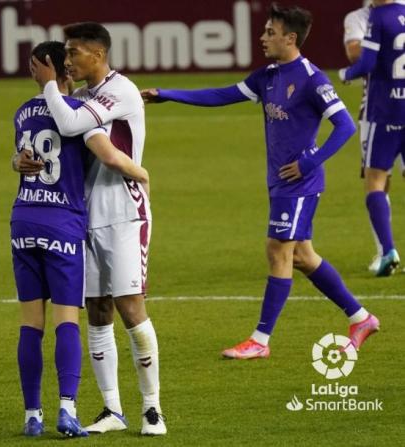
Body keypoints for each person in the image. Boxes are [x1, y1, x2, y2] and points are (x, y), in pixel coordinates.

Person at [142, 4, 380, 359]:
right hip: (280, 182)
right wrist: (169, 94)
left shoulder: (313, 79)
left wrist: (309, 162)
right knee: (302, 255)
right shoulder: (267, 76)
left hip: (300, 183)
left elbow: (345, 125)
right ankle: (360, 318)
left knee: (277, 251)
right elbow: (222, 95)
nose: (263, 37)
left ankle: (260, 340)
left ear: (290, 38)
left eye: (270, 32)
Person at [32, 22, 165, 435]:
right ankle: (112, 409)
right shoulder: (84, 96)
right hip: (84, 216)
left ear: (98, 54)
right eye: (65, 54)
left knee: (130, 306)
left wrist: (50, 85)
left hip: (125, 213)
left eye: (73, 52)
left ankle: (151, 408)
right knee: (98, 310)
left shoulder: (120, 90)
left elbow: (71, 127)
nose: (67, 60)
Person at [340, 0, 405, 277]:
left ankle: (387, 250)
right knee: (384, 180)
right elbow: (354, 51)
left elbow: (361, 58)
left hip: (381, 111)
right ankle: (384, 250)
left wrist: (346, 74)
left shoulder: (374, 17)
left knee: (375, 179)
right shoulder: (358, 16)